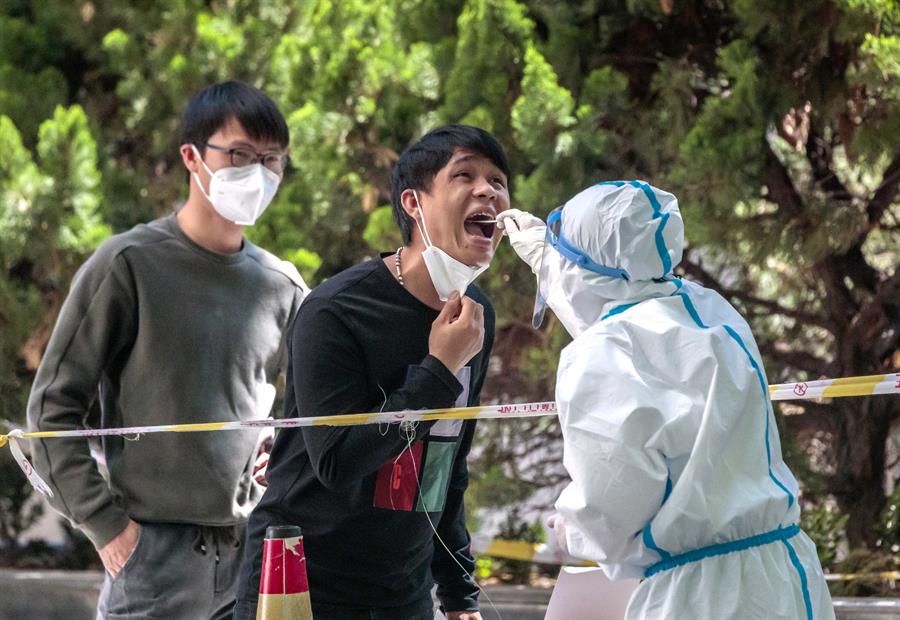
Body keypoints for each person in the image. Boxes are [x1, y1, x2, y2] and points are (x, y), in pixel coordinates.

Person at [26, 80, 308, 620]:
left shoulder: (284, 287)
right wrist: (107, 526)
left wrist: (281, 447)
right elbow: (50, 412)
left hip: (253, 556)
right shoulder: (127, 264)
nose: (258, 173)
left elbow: (310, 417)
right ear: (192, 157)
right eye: (240, 154)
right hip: (150, 560)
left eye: (271, 159)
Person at [498, 181, 834, 619]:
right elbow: (628, 298)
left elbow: (614, 508)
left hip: (702, 597)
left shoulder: (599, 355)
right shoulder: (711, 310)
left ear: (580, 268)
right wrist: (547, 260)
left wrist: (573, 530)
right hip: (787, 571)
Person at [234, 124, 511, 620]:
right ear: (413, 203)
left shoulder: (475, 317)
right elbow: (337, 461)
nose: (488, 191)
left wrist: (458, 593)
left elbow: (447, 464)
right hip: (302, 583)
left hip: (403, 593)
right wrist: (440, 368)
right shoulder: (336, 309)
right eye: (464, 175)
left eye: (498, 181)